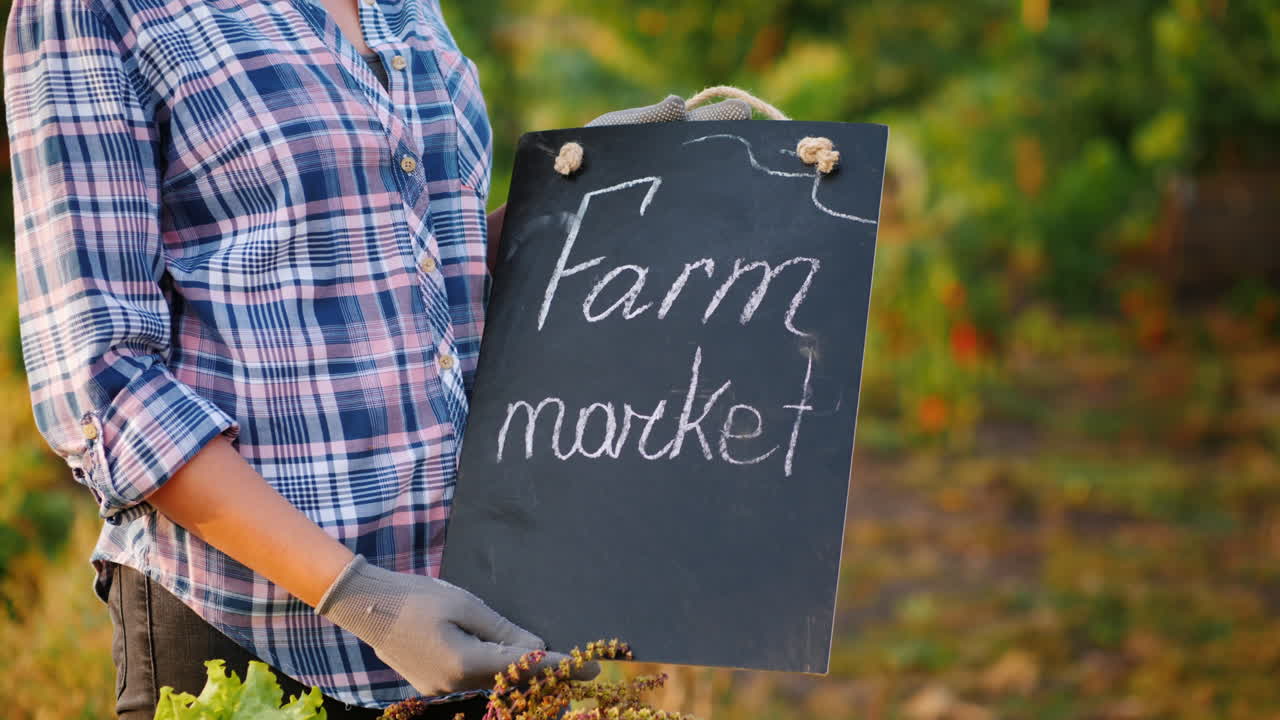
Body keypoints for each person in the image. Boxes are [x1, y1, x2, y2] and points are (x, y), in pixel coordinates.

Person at [2, 0, 751, 716]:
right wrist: (361, 595)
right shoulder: (98, 8)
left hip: (471, 618)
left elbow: (421, 271)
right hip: (259, 639)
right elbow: (101, 381)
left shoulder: (407, 6)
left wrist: (578, 201)